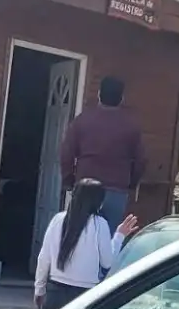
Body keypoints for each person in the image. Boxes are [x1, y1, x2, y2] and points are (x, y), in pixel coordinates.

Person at [35, 178, 139, 309]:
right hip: (85, 295)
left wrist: (39, 289)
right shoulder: (100, 224)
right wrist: (119, 236)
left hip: (55, 292)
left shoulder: (58, 219)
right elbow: (107, 263)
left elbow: (44, 258)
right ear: (99, 202)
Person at [59, 76, 146, 234]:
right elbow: (141, 160)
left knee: (78, 237)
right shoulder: (131, 125)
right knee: (109, 239)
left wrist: (68, 180)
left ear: (99, 94)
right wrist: (131, 183)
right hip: (116, 190)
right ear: (121, 98)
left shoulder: (82, 120)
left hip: (85, 188)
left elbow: (66, 153)